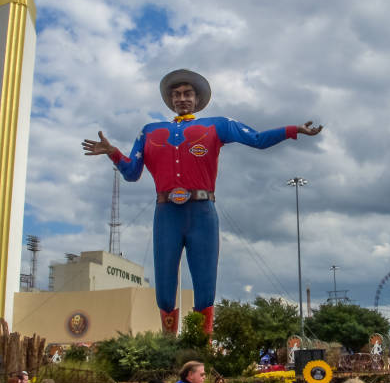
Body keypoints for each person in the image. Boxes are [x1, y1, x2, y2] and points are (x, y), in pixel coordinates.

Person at [82, 69, 323, 334]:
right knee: (164, 285)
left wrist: (292, 130)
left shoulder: (216, 125)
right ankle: (168, 347)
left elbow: (257, 140)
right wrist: (113, 152)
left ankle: (201, 349)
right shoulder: (149, 132)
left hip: (202, 211)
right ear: (170, 100)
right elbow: (131, 173)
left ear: (197, 99)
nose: (182, 99)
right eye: (176, 95)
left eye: (187, 94)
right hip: (166, 213)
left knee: (205, 283)